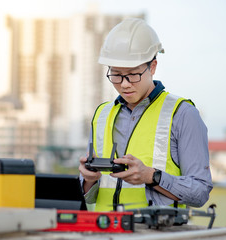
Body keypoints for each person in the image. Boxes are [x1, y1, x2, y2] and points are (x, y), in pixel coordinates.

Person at [78, 18, 213, 212]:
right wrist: (87, 180)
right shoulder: (102, 114)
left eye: (132, 74)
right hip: (105, 231)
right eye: (116, 74)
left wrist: (151, 176)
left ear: (153, 67)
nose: (124, 84)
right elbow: (90, 193)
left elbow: (200, 192)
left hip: (156, 232)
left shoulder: (183, 114)